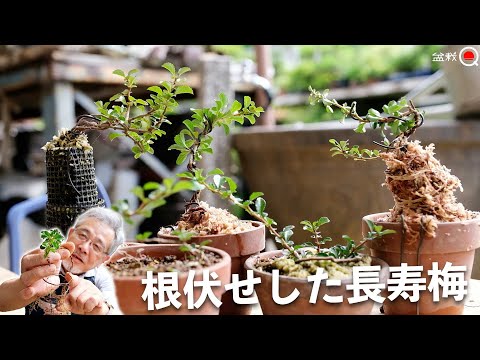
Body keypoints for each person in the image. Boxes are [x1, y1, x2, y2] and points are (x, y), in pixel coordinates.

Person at [1, 207, 125, 315]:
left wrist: (100, 309)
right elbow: (2, 301)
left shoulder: (101, 279)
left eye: (97, 246)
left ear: (103, 259)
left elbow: (112, 310)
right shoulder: (47, 259)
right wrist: (24, 283)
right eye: (82, 235)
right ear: (70, 233)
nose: (84, 247)